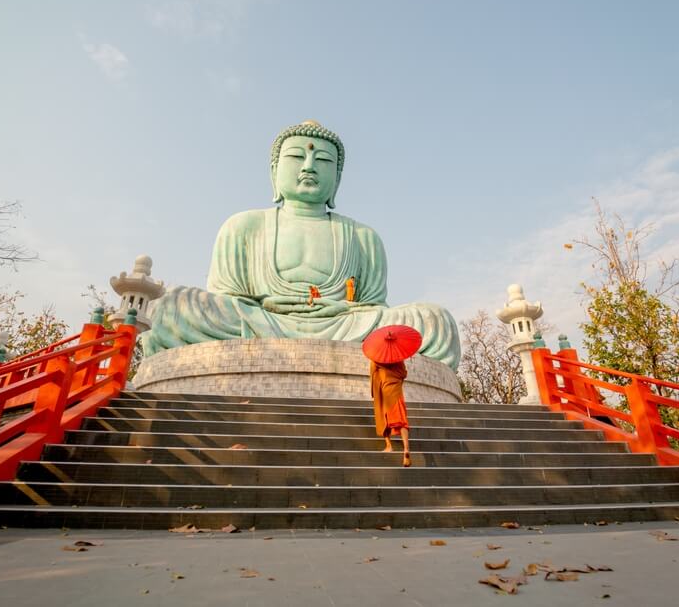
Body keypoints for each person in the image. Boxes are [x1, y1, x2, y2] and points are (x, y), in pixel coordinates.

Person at [142, 120, 461, 370]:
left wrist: (342, 309)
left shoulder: (363, 237)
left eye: (323, 160)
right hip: (259, 320)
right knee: (174, 304)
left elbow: (375, 307)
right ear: (274, 171)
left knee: (435, 320)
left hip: (344, 325)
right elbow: (228, 298)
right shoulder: (243, 225)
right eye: (296, 156)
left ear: (336, 178)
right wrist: (266, 306)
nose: (309, 165)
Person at [370, 359, 412, 467]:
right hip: (396, 390)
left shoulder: (376, 357)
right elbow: (403, 373)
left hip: (384, 389)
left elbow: (373, 374)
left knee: (384, 418)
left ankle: (389, 446)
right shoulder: (398, 358)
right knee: (402, 419)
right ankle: (406, 448)